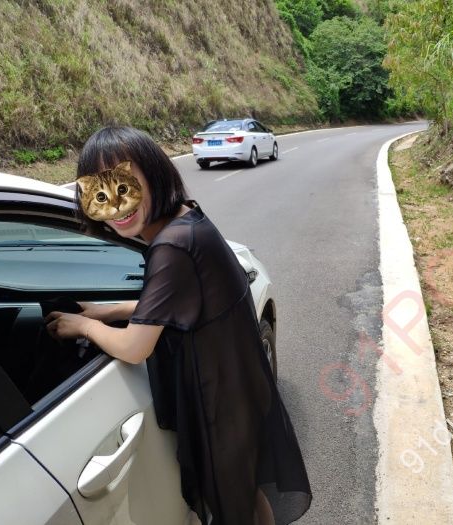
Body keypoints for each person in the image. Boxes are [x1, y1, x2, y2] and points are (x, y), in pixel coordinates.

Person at [45, 126, 312, 525]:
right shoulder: (188, 220)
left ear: (153, 174)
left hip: (221, 406)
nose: (116, 205)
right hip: (239, 390)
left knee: (234, 508)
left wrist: (82, 327)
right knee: (246, 498)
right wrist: (107, 311)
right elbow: (181, 300)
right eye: (100, 192)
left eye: (125, 183)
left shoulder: (170, 246)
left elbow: (135, 347)